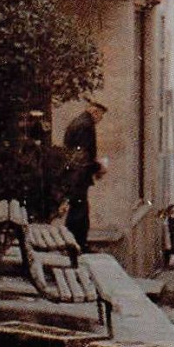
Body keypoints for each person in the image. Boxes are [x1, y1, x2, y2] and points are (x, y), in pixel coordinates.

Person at [62, 100, 107, 252]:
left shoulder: (80, 122)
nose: (99, 120)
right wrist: (98, 167)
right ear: (95, 112)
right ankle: (76, 245)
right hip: (78, 176)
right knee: (79, 212)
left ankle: (77, 244)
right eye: (100, 116)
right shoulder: (86, 126)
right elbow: (82, 156)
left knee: (78, 210)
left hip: (76, 174)